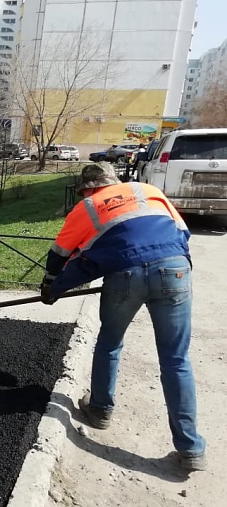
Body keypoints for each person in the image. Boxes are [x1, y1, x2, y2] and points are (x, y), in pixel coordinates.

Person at [40, 162, 206, 471]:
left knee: (110, 343)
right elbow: (182, 232)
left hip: (125, 277)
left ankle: (100, 410)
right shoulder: (150, 191)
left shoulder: (87, 207)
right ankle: (191, 448)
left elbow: (62, 254)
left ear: (88, 188)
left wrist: (52, 286)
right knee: (176, 360)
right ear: (114, 181)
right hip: (175, 272)